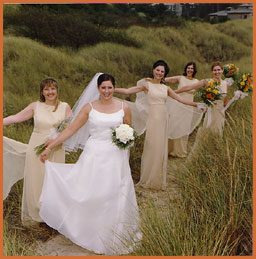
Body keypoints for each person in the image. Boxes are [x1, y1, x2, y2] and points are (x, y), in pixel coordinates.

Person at [39, 73, 141, 255]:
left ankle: (114, 233)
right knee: (91, 192)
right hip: (94, 155)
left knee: (115, 192)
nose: (107, 91)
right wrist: (50, 146)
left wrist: (125, 144)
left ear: (114, 87)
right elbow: (71, 129)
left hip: (116, 157)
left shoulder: (124, 107)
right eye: (103, 87)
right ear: (98, 88)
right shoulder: (89, 107)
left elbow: (129, 131)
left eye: (110, 87)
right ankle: (90, 230)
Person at [114, 60, 204, 191]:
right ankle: (147, 177)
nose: (159, 73)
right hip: (153, 120)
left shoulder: (165, 88)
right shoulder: (147, 85)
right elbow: (128, 91)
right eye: (158, 70)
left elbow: (181, 99)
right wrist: (111, 89)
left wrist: (197, 105)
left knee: (161, 147)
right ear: (153, 70)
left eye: (162, 71)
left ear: (164, 74)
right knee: (152, 146)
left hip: (163, 119)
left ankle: (157, 178)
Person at [3, 78, 71, 226]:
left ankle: (53, 216)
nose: (50, 92)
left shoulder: (64, 107)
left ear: (57, 90)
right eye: (46, 89)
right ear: (42, 92)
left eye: (52, 89)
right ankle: (36, 215)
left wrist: (53, 142)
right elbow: (16, 117)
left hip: (56, 148)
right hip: (36, 148)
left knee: (53, 181)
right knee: (35, 180)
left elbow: (69, 128)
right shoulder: (36, 106)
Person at [175, 61, 230, 136]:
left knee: (217, 135)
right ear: (212, 71)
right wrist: (174, 92)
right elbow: (190, 87)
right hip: (210, 112)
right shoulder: (207, 81)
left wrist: (236, 97)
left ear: (222, 70)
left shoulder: (226, 84)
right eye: (215, 70)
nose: (217, 72)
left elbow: (225, 102)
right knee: (206, 134)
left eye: (219, 70)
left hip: (220, 114)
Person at [164, 62, 200, 158]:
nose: (190, 70)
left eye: (192, 69)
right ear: (186, 69)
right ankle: (169, 149)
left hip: (188, 107)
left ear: (194, 70)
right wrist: (158, 80)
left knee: (184, 127)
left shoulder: (197, 81)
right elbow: (168, 80)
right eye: (188, 68)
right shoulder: (181, 78)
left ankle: (180, 151)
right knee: (174, 125)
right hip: (177, 105)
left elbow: (193, 89)